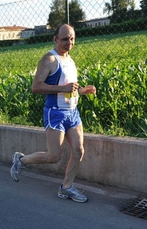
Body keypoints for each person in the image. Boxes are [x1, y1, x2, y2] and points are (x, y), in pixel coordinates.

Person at [10, 24, 96, 203]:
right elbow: (36, 87)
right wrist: (62, 88)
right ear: (55, 39)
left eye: (72, 39)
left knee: (78, 150)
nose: (69, 43)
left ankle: (66, 188)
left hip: (72, 112)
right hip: (55, 113)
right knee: (54, 156)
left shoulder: (70, 60)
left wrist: (81, 91)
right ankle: (22, 160)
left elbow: (68, 88)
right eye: (65, 39)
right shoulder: (49, 59)